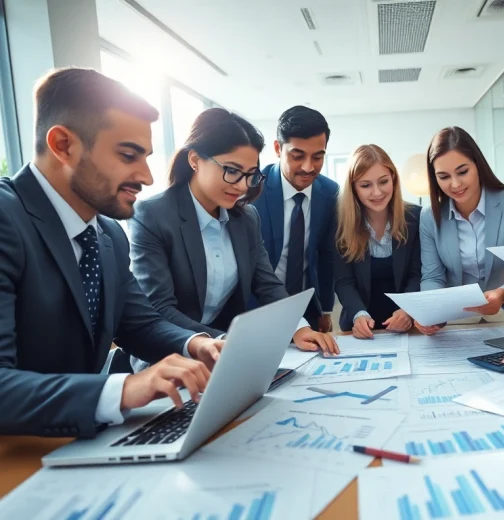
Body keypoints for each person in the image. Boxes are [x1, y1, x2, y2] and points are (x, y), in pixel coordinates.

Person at [0, 68, 224, 437]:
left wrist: (197, 344)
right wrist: (125, 389)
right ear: (63, 145)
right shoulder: (7, 219)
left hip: (74, 442)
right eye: (128, 155)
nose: (148, 176)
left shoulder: (107, 235)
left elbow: (139, 325)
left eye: (147, 156)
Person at [127, 108, 338, 367]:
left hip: (229, 357)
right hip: (169, 361)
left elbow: (267, 284)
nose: (241, 186)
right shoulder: (152, 216)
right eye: (232, 170)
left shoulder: (246, 218)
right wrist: (227, 341)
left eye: (250, 174)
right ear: (195, 159)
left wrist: (298, 327)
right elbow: (159, 308)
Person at [416, 126, 504, 335]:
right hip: (453, 322)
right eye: (444, 176)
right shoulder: (429, 217)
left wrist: (503, 293)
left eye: (463, 171)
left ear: (478, 165)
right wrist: (431, 311)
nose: (455, 184)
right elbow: (432, 276)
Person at [250, 106, 338, 332]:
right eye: (297, 156)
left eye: (318, 157)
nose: (309, 167)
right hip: (256, 308)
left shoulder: (329, 193)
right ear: (278, 148)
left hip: (305, 309)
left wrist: (325, 310)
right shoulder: (252, 191)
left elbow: (327, 256)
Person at [334, 144, 421, 338]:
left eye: (383, 182)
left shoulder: (415, 218)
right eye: (365, 185)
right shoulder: (340, 224)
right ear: (354, 189)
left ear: (394, 180)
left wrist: (408, 310)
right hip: (359, 330)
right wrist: (358, 315)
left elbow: (417, 274)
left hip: (409, 326)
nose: (377, 192)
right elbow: (343, 282)